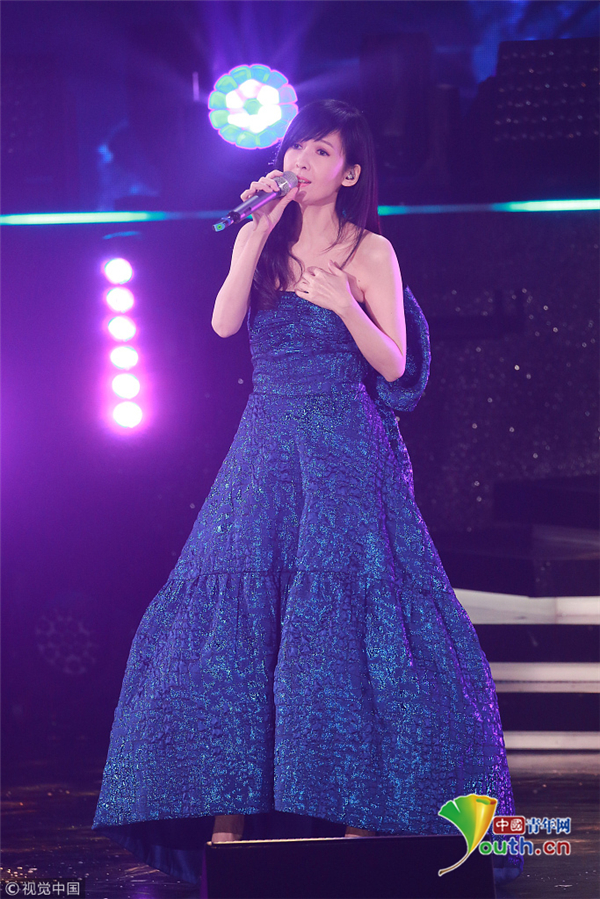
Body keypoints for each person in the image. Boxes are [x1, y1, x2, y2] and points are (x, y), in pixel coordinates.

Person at [93, 99, 522, 884]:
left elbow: (396, 364)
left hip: (345, 450)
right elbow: (224, 323)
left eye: (320, 152)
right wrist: (252, 235)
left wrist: (345, 304)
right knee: (239, 624)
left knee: (350, 625)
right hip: (267, 442)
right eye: (296, 148)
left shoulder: (371, 250)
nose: (301, 161)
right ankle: (227, 834)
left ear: (349, 172)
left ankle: (361, 832)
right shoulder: (264, 237)